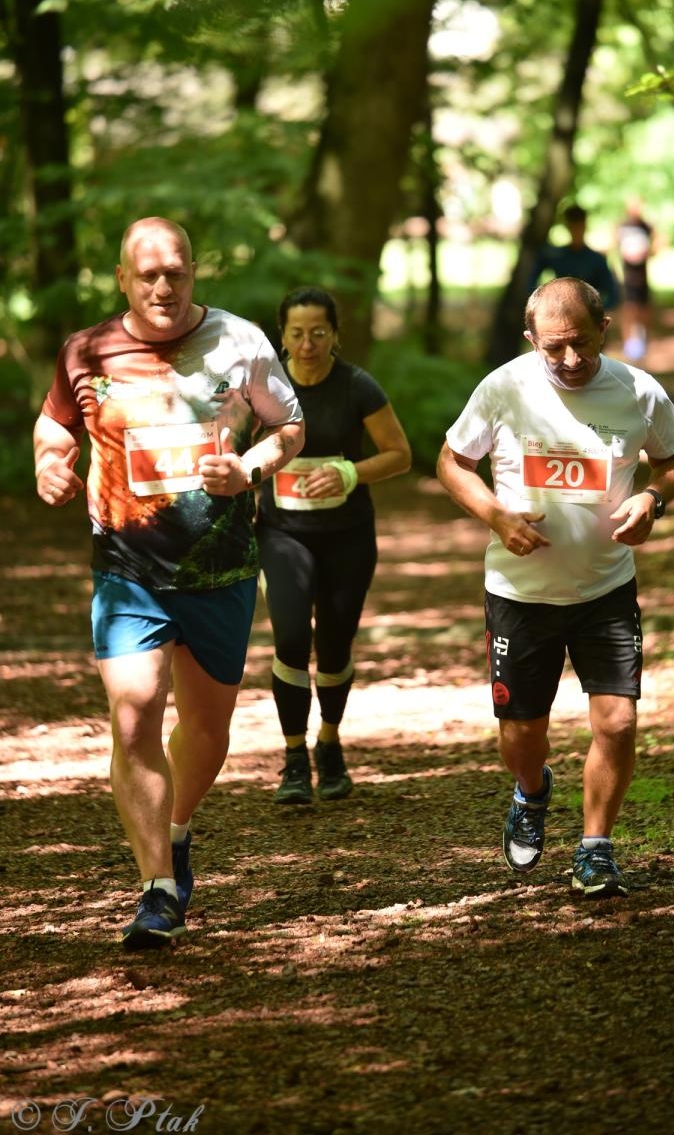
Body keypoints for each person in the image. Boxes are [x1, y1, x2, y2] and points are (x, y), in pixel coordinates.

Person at [33, 217, 305, 950]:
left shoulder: (241, 342)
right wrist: (49, 465)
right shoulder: (87, 351)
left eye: (175, 272)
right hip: (126, 569)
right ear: (122, 278)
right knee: (134, 715)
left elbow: (290, 427)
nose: (162, 285)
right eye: (146, 273)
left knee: (208, 729)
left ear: (193, 273)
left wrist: (249, 468)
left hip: (218, 568)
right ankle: (156, 889)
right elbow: (55, 429)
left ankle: (176, 829)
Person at [437, 276, 674, 898]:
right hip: (519, 594)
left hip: (605, 589)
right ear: (531, 341)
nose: (570, 360)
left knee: (619, 723)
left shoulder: (638, 391)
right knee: (523, 734)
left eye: (580, 343)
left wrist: (653, 500)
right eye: (554, 349)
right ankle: (531, 790)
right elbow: (451, 462)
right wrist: (496, 515)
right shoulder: (503, 388)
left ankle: (596, 848)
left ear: (604, 328)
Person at [257, 287, 411, 804]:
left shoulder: (356, 386)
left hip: (347, 535)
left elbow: (399, 455)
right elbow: (230, 447)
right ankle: (294, 757)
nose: (307, 344)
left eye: (318, 333)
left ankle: (329, 741)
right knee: (292, 638)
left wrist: (350, 471)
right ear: (282, 335)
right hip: (282, 533)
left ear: (335, 335)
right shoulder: (263, 386)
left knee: (336, 646)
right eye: (297, 333)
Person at [529, 204, 620, 312]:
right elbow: (531, 280)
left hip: (586, 314)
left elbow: (612, 294)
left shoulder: (596, 260)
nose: (576, 231)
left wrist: (595, 312)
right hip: (560, 311)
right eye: (573, 226)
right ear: (568, 227)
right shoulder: (557, 256)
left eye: (579, 226)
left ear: (584, 226)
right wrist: (544, 301)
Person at [616, 198, 655, 362]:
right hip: (627, 277)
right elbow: (614, 244)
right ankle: (628, 345)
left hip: (643, 276)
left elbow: (658, 244)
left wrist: (646, 253)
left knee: (644, 311)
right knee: (628, 310)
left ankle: (644, 344)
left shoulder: (646, 226)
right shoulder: (622, 226)